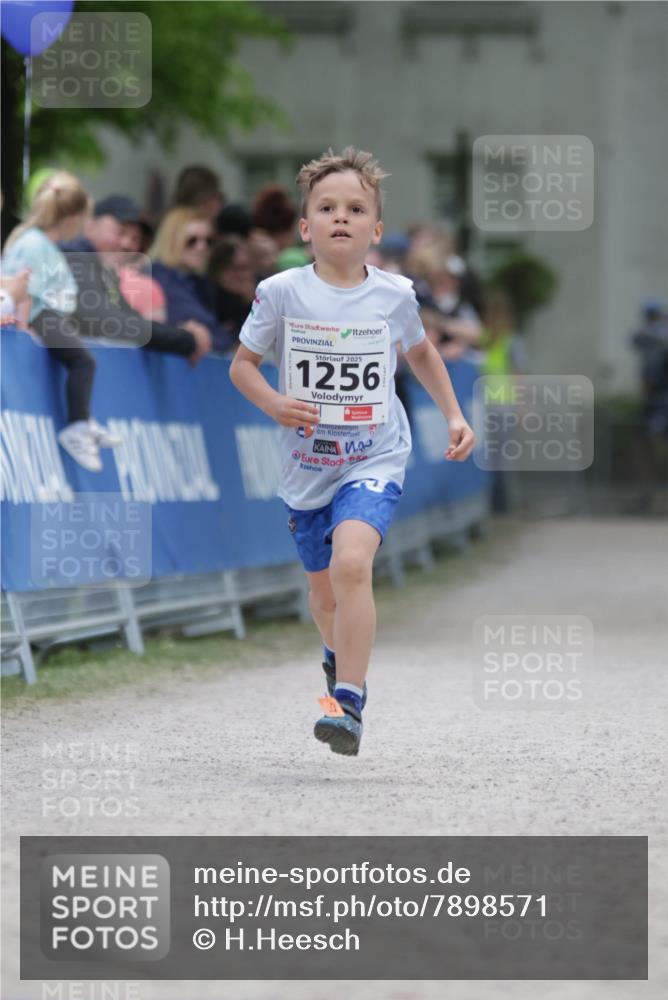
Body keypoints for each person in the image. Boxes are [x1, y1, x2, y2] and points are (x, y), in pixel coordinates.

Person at [229, 146, 475, 756]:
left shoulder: (394, 294)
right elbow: (242, 366)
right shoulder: (280, 292)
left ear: (376, 229)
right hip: (307, 465)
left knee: (353, 564)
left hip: (375, 453)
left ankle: (350, 702)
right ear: (306, 227)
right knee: (325, 595)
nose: (343, 217)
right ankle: (336, 654)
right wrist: (274, 404)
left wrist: (453, 414)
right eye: (328, 207)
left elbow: (420, 353)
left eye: (356, 208)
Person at [2, 172, 121, 471]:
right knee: (84, 362)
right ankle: (78, 425)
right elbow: (24, 289)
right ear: (73, 217)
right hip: (41, 318)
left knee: (82, 360)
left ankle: (83, 420)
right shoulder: (34, 244)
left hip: (45, 317)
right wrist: (23, 330)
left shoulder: (37, 243)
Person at [61, 195, 212, 365]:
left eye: (135, 239)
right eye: (120, 231)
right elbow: (108, 322)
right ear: (90, 226)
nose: (127, 244)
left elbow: (129, 318)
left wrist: (181, 334)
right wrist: (185, 340)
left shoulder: (104, 274)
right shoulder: (72, 257)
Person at [151, 208, 236, 354]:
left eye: (208, 241)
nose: (201, 247)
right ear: (172, 240)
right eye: (192, 240)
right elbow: (203, 329)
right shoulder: (157, 277)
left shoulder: (199, 284)